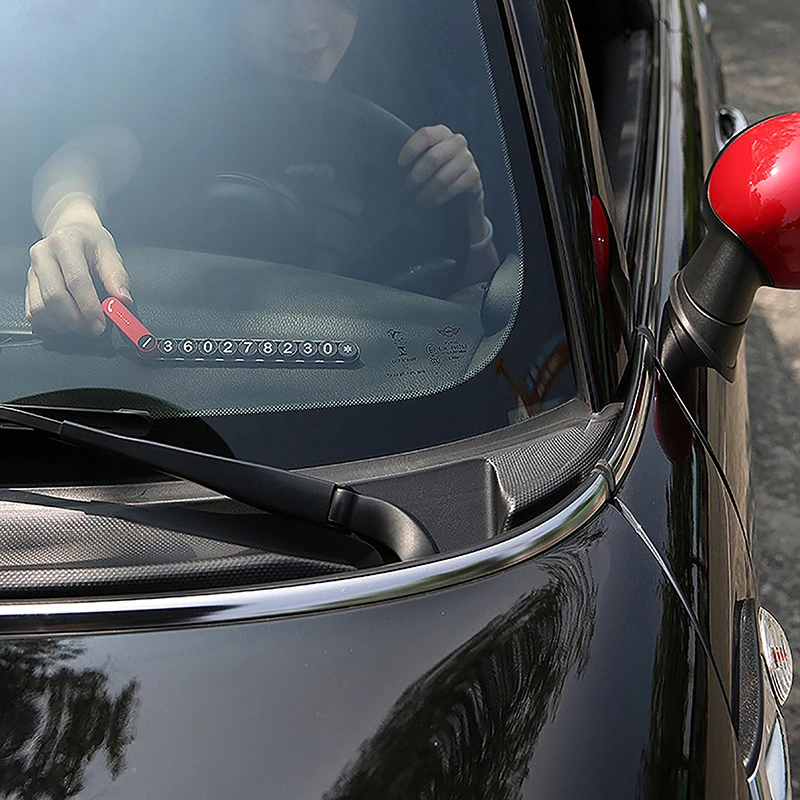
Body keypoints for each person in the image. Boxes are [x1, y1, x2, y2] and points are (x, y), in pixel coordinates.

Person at [26, 0, 499, 337]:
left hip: (379, 373)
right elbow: (85, 157)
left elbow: (485, 301)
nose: (300, 22)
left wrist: (467, 208)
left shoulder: (422, 94)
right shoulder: (180, 94)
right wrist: (72, 218)